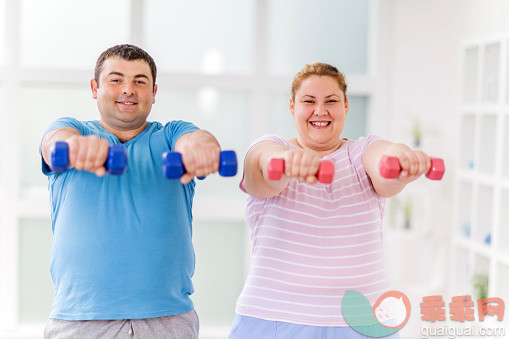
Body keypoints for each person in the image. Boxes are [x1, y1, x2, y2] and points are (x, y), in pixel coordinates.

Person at [229, 63, 433, 338]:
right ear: (292, 106)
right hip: (273, 317)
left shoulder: (362, 152)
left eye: (331, 101)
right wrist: (288, 162)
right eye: (309, 101)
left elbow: (385, 167)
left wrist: (401, 158)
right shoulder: (272, 146)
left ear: (346, 105)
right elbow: (263, 166)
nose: (320, 110)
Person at [40, 44, 221, 338]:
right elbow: (54, 144)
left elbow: (197, 139)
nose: (128, 89)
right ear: (94, 87)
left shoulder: (171, 134)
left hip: (167, 319)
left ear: (154, 91)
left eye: (140, 81)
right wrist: (75, 148)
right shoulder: (73, 129)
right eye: (116, 80)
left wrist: (201, 150)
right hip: (80, 320)